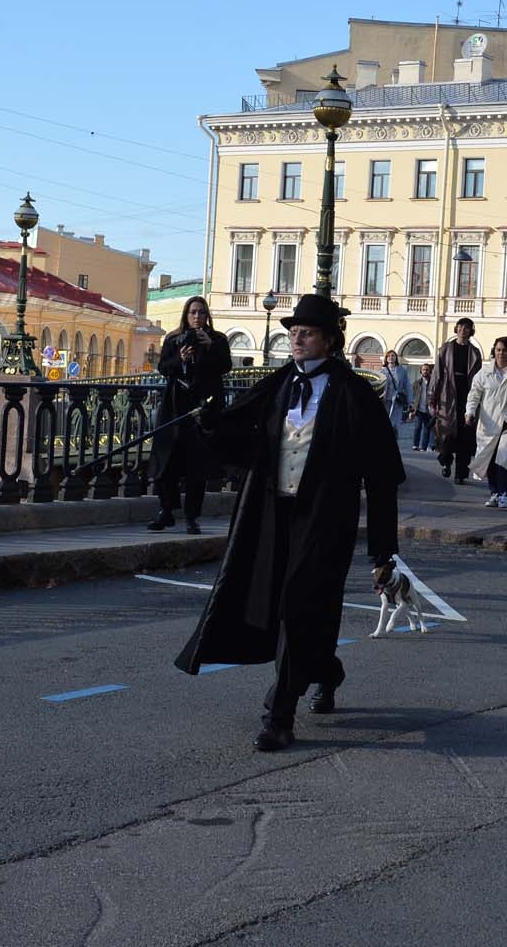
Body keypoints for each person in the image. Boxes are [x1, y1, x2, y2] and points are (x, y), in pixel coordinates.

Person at [174, 294, 403, 752]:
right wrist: (211, 421)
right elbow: (238, 440)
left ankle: (279, 715)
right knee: (280, 605)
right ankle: (328, 671)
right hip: (274, 516)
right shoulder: (278, 384)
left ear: (330, 341)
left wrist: (383, 553)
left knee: (300, 605)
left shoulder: (355, 394)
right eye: (294, 331)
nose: (297, 338)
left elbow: (382, 478)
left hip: (324, 521)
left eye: (308, 332)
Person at [150, 296, 232, 535]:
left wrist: (209, 347)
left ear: (207, 316)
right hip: (175, 406)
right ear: (186, 315)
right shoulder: (174, 338)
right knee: (165, 462)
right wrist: (181, 359)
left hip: (202, 408)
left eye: (202, 313)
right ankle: (166, 511)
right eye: (193, 312)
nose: (197, 317)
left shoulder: (218, 339)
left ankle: (191, 517)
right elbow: (164, 368)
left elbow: (225, 367)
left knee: (196, 467)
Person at [465, 336, 507, 509]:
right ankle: (494, 493)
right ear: (494, 351)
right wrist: (469, 412)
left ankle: (503, 494)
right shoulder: (484, 373)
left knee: (503, 459)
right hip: (488, 422)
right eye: (498, 350)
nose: (501, 353)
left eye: (505, 350)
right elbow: (474, 394)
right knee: (489, 460)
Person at [429, 318, 482, 485]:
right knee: (447, 433)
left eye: (467, 328)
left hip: (468, 396)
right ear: (456, 329)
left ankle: (461, 473)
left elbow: (479, 378)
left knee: (465, 435)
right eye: (461, 327)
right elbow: (437, 373)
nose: (463, 330)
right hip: (448, 394)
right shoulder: (446, 349)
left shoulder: (474, 352)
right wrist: (432, 397)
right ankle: (445, 461)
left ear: (471, 331)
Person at [379, 350, 408, 436]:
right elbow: (379, 385)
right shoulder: (382, 371)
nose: (391, 357)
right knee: (385, 421)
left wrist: (409, 401)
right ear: (386, 359)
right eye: (389, 356)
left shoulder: (402, 370)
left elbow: (407, 385)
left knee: (395, 423)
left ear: (396, 358)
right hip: (386, 400)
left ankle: (394, 439)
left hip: (397, 401)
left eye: (393, 356)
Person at [410, 363, 435, 451]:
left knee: (427, 428)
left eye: (427, 370)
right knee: (418, 427)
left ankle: (424, 447)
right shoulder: (416, 383)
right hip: (419, 409)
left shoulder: (433, 383)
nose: (425, 371)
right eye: (423, 369)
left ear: (430, 371)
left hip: (429, 410)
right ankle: (415, 444)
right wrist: (411, 411)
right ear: (421, 371)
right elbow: (412, 397)